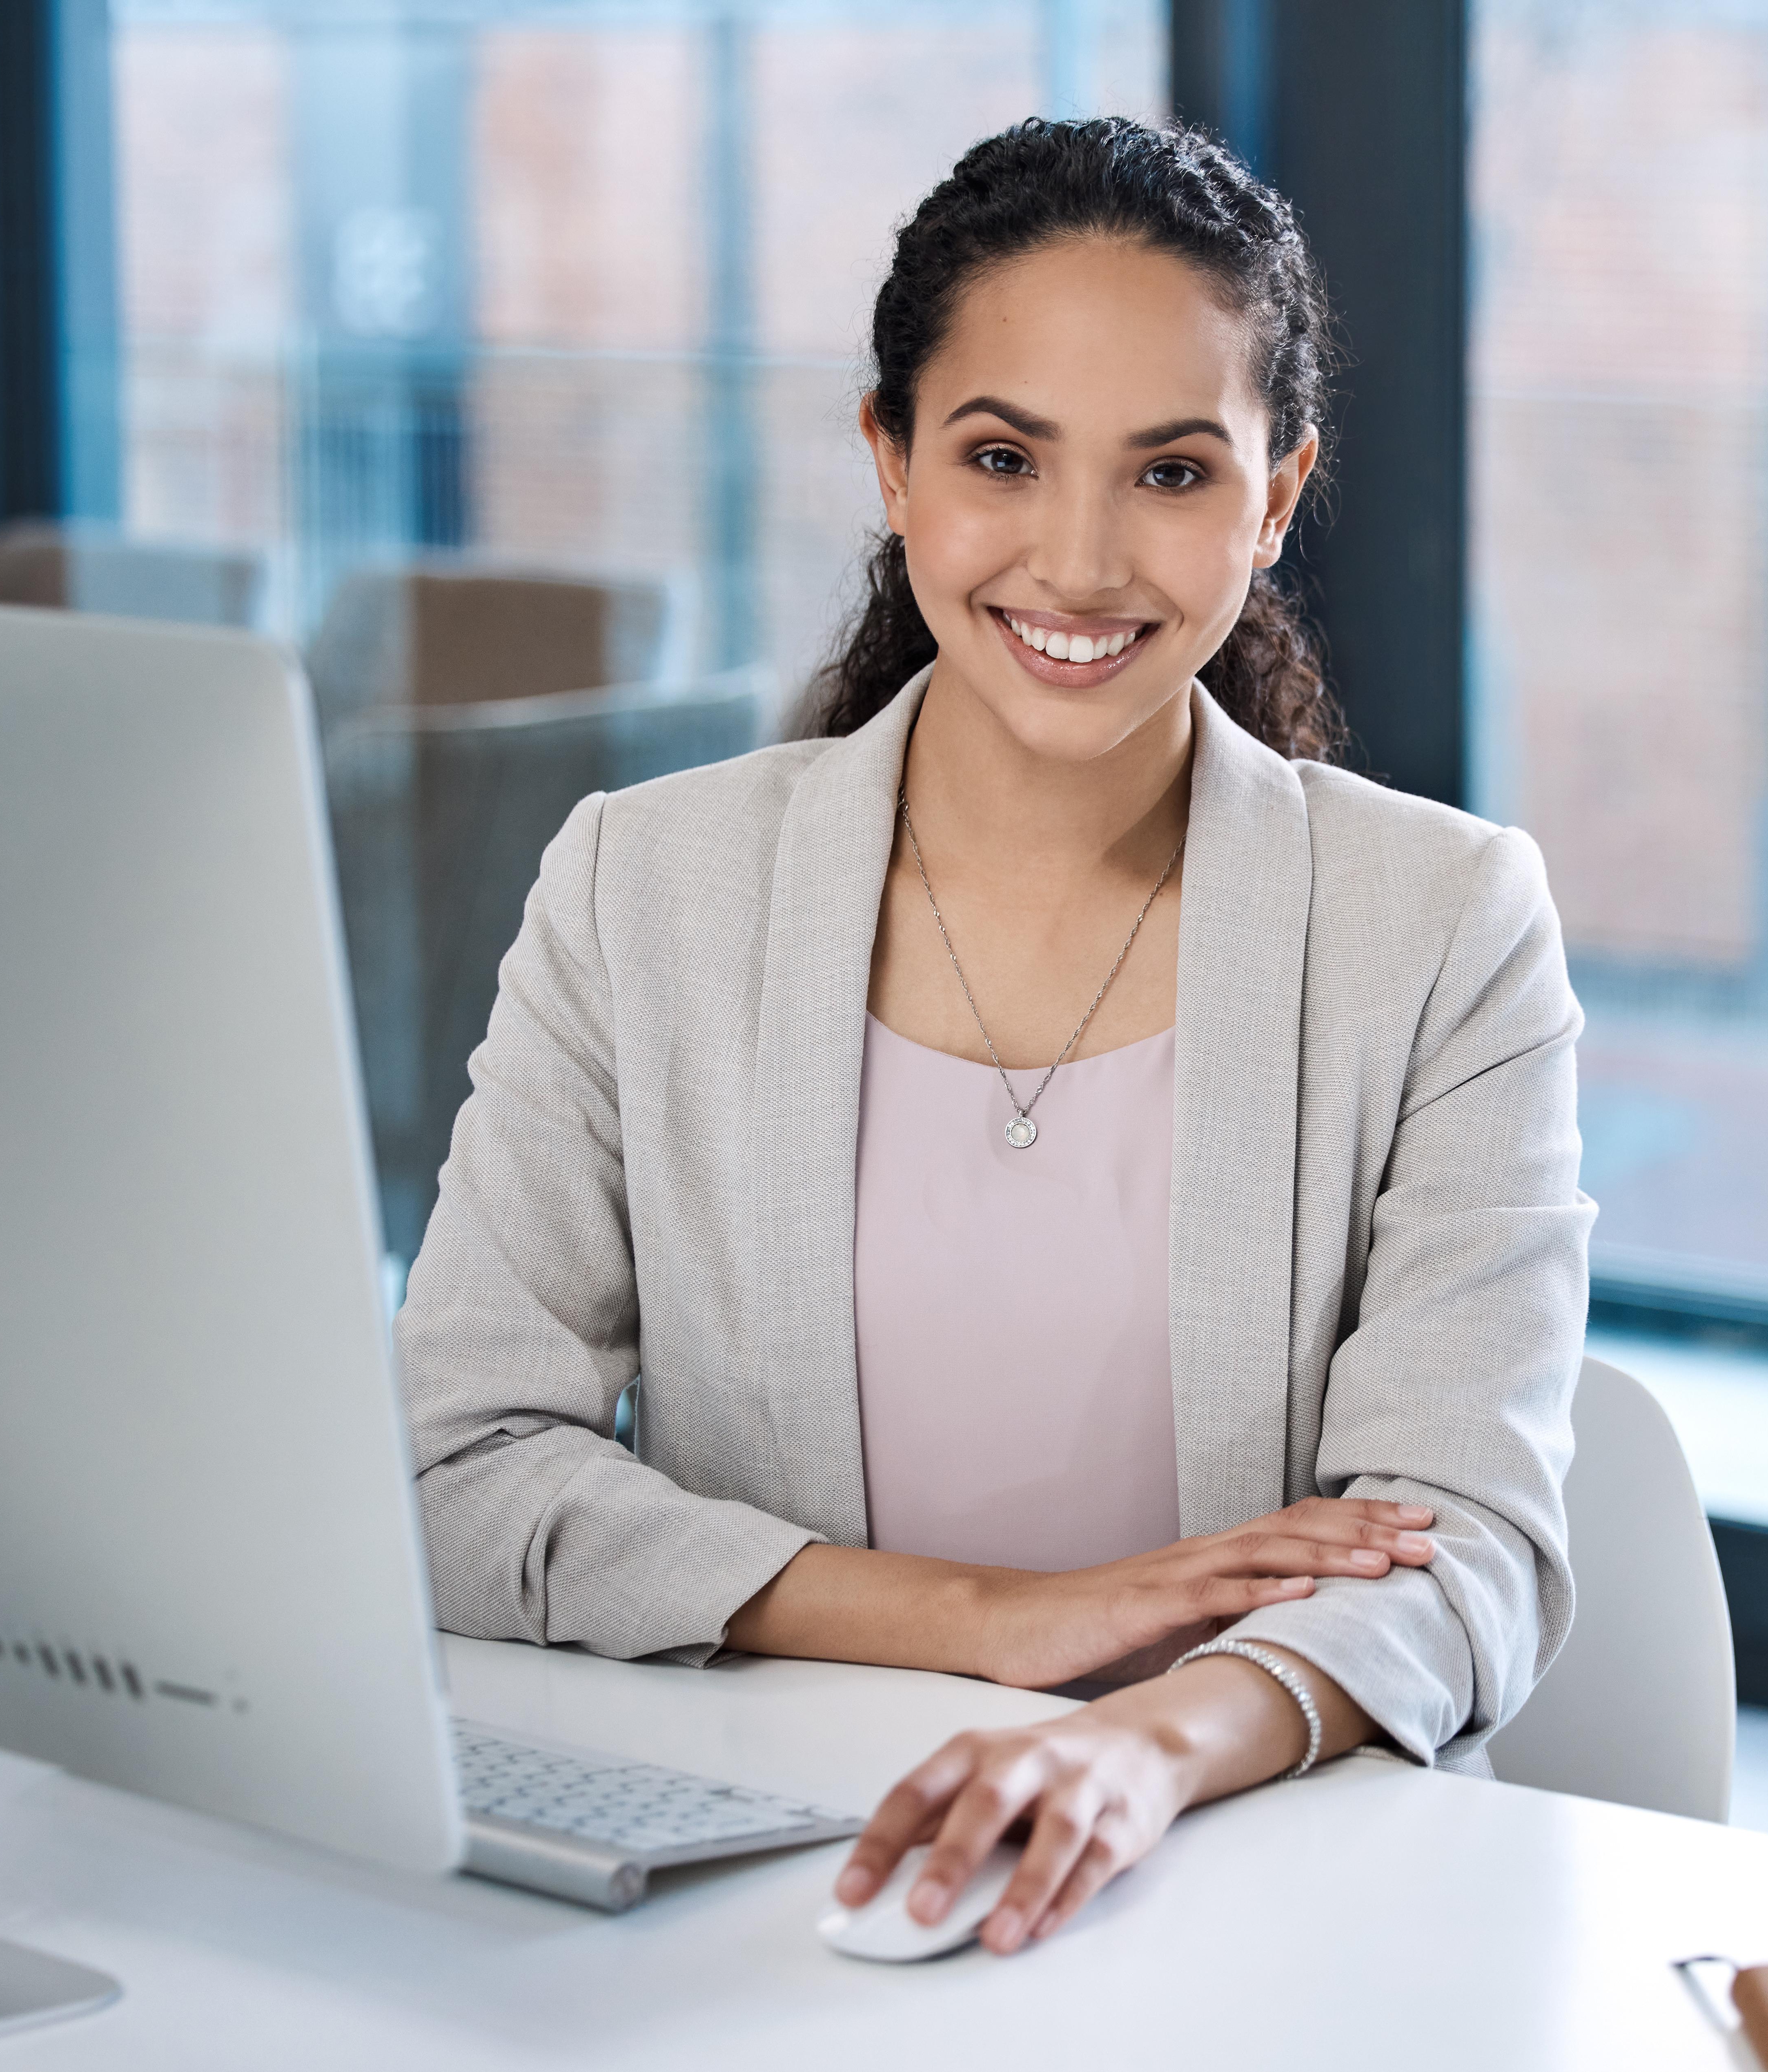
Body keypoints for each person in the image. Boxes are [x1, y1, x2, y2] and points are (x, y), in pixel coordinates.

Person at [399, 115, 1589, 1958]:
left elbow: (1465, 1546)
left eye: (1175, 473)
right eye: (1004, 457)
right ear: (891, 461)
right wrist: (983, 1620)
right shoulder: (649, 886)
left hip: (1262, 1878)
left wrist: (1141, 1742)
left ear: (1277, 503)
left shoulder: (1441, 926)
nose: (1081, 558)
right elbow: (456, 1469)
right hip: (775, 1874)